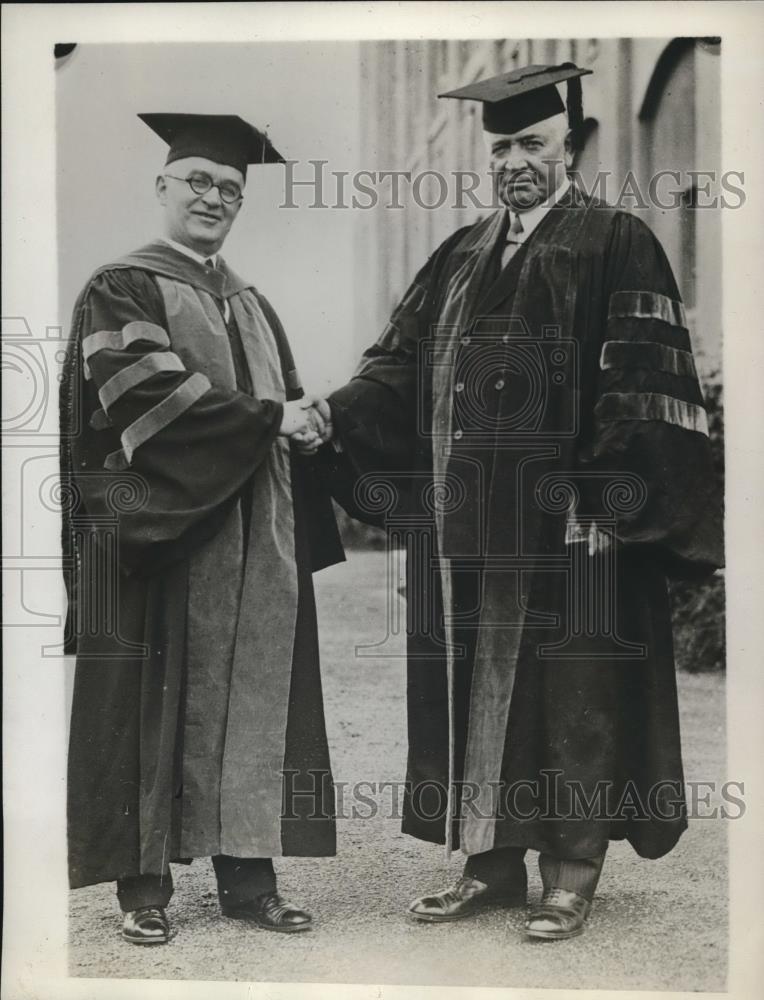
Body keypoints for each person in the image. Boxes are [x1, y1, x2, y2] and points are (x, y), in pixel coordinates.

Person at [323, 64, 723, 940]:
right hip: (472, 528)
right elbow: (397, 362)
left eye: (532, 143)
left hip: (572, 526)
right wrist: (332, 413)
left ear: (569, 147)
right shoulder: (462, 254)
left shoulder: (619, 241)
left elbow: (642, 383)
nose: (514, 161)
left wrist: (606, 501)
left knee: (576, 687)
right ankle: (490, 863)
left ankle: (570, 872)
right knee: (477, 689)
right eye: (501, 145)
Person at [60, 113, 343, 945]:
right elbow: (143, 395)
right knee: (146, 706)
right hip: (159, 535)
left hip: (254, 542)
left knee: (251, 698)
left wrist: (314, 427)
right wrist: (270, 420)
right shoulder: (124, 285)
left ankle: (249, 882)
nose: (215, 198)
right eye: (199, 182)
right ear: (163, 188)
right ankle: (141, 889)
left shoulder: (251, 302)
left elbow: (284, 400)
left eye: (230, 188)